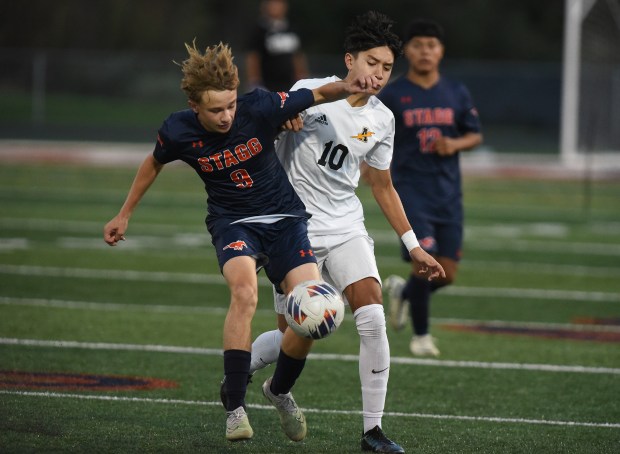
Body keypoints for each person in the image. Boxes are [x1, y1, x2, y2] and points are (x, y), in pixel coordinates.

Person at [103, 40, 381, 442]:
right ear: (194, 106)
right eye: (216, 109)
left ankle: (280, 391)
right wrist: (124, 212)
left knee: (314, 309)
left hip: (285, 219)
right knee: (245, 294)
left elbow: (320, 92)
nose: (227, 115)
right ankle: (235, 408)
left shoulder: (258, 107)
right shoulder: (178, 129)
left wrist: (355, 82)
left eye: (231, 105)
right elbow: (154, 162)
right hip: (234, 223)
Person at [227, 11, 445, 453]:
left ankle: (373, 432)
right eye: (371, 62)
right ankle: (246, 370)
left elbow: (381, 185)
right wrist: (281, 121)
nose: (378, 74)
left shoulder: (383, 120)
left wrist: (413, 245)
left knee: (372, 316)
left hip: (346, 228)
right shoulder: (310, 93)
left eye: (386, 67)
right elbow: (257, 124)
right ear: (350, 60)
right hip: (293, 232)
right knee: (301, 331)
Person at [378, 19, 483, 357]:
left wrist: (454, 144)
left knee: (447, 273)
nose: (425, 51)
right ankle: (421, 336)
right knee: (424, 263)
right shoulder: (392, 94)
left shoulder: (456, 91)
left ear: (441, 51)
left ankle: (405, 293)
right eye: (418, 44)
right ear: (406, 51)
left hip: (449, 194)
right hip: (411, 193)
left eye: (432, 45)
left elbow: (475, 134)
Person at [245, 0, 309, 92]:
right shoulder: (259, 30)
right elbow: (253, 57)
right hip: (268, 86)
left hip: (290, 86)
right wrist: (254, 81)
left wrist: (303, 78)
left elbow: (298, 57)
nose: (276, 6)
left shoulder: (291, 28)